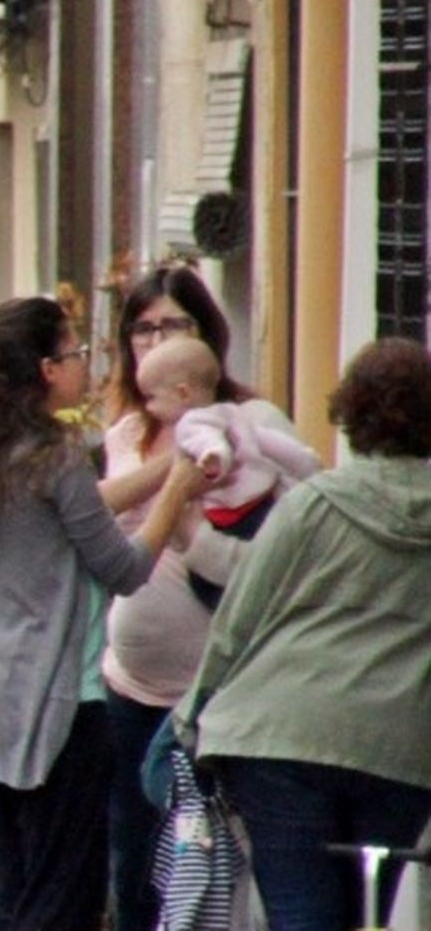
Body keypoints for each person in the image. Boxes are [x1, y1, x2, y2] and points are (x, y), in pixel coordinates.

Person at [0, 295, 206, 931]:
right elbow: (123, 568)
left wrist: (163, 467)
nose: (87, 363)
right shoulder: (56, 456)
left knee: (11, 888)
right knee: (62, 894)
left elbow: (86, 508)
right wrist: (177, 488)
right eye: (75, 352)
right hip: (56, 702)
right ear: (46, 369)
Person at [176, 337, 431, 931]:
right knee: (364, 910)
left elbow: (239, 620)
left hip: (280, 738)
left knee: (300, 910)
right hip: (400, 744)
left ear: (351, 413)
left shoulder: (312, 505)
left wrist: (194, 712)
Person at [103, 264, 307, 931]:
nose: (157, 339)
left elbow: (288, 546)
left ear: (207, 335)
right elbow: (101, 524)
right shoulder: (126, 434)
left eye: (175, 324)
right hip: (132, 687)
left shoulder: (250, 424)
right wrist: (173, 465)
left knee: (217, 870)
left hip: (223, 688)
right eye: (144, 328)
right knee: (135, 864)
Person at [136, 337, 320, 607]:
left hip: (230, 520)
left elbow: (206, 441)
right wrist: (306, 463)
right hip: (261, 508)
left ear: (183, 393)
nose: (147, 408)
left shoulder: (191, 423)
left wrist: (214, 458)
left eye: (151, 398)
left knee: (211, 589)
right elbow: (273, 444)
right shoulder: (237, 415)